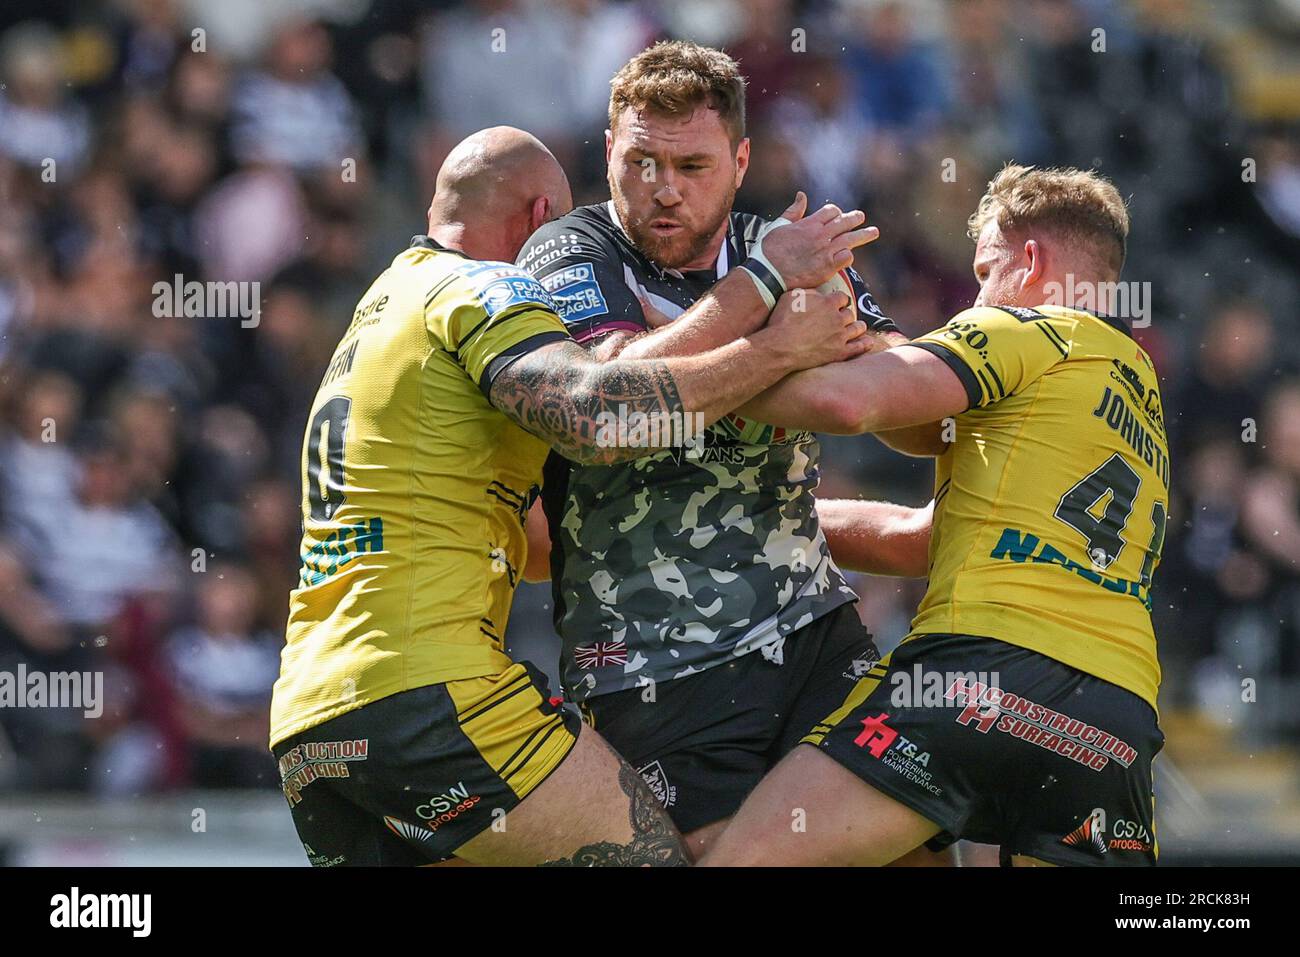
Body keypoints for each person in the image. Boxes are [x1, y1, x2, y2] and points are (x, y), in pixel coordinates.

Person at [269, 125, 874, 866]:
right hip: (431, 693)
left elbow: (535, 542)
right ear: (539, 218)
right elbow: (597, 415)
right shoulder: (485, 286)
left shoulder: (382, 309)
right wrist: (770, 336)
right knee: (652, 857)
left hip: (311, 719)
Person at [702, 164, 1169, 867]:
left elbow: (851, 403)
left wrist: (699, 375)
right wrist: (774, 518)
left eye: (986, 272)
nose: (978, 296)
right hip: (1115, 724)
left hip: (982, 675)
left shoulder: (1026, 330)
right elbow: (927, 538)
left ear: (1031, 259)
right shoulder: (1140, 400)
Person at [517, 41, 916, 858]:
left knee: (912, 846)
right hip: (653, 658)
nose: (665, 188)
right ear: (608, 155)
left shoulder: (784, 240)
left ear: (739, 161)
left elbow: (885, 384)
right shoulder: (569, 251)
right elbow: (614, 402)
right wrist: (769, 303)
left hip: (813, 625)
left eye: (693, 164)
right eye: (643, 162)